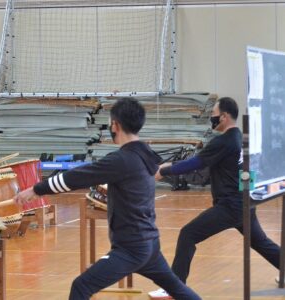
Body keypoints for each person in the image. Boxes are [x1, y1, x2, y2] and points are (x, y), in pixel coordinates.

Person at [15, 98, 200, 300]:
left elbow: (77, 176)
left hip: (131, 248)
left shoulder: (122, 160)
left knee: (81, 286)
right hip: (150, 244)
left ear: (115, 125)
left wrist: (37, 189)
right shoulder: (146, 155)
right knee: (178, 289)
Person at [150, 97, 281, 298]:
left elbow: (196, 163)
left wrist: (165, 170)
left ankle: (174, 289)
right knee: (261, 243)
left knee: (188, 234)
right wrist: (248, 197)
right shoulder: (242, 138)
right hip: (244, 202)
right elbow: (249, 169)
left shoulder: (223, 141)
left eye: (213, 115)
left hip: (230, 206)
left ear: (224, 116)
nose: (211, 119)